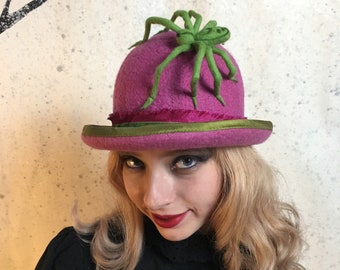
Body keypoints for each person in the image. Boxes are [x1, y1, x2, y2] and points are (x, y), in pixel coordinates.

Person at [36, 10, 305, 270]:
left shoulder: (267, 257)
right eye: (133, 162)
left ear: (234, 166)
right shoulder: (78, 258)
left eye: (185, 161)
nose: (154, 199)